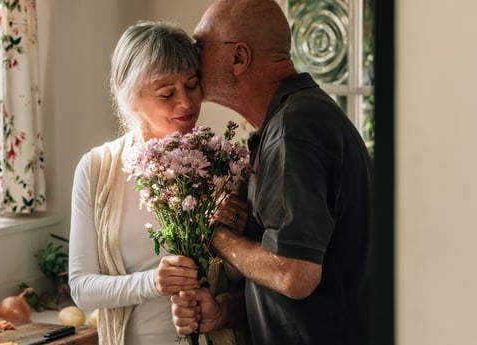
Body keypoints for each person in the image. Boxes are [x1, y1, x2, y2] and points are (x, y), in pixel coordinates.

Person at [171, 0, 373, 344]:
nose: (192, 59)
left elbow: (295, 275)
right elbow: (299, 284)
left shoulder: (294, 131)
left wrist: (216, 235)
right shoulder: (292, 121)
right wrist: (225, 310)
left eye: (200, 46)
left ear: (239, 58)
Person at [68, 21, 204, 345]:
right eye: (167, 93)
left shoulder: (222, 166)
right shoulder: (97, 170)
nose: (185, 102)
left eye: (193, 84)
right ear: (131, 99)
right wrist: (153, 282)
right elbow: (82, 288)